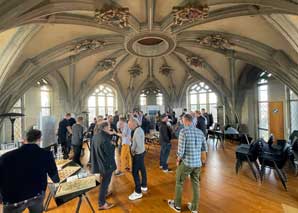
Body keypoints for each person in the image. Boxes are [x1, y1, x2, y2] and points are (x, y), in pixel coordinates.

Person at [0, 129, 60, 213]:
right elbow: (53, 174)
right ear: (39, 139)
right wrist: (57, 181)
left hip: (12, 198)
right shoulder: (46, 154)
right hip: (36, 194)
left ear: (26, 139)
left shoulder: (5, 157)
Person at [168, 114, 207, 213]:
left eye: (182, 121)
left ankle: (177, 206)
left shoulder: (183, 131)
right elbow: (204, 148)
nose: (182, 122)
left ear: (186, 121)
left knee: (179, 182)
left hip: (187, 163)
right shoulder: (200, 132)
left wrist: (177, 160)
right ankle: (194, 208)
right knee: (196, 184)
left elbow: (181, 150)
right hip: (197, 164)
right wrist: (203, 161)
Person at [90, 122, 116, 210]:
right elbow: (110, 153)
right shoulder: (104, 138)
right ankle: (102, 203)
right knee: (105, 184)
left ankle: (104, 194)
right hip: (106, 165)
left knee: (103, 182)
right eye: (109, 126)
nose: (110, 128)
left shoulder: (95, 136)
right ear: (105, 128)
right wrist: (113, 145)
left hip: (99, 163)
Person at [128, 118, 147, 201]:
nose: (129, 127)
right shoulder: (140, 130)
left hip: (138, 154)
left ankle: (138, 192)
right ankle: (144, 185)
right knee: (142, 169)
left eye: (130, 125)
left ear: (134, 124)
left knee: (135, 172)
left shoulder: (137, 132)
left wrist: (132, 150)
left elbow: (137, 145)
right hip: (142, 152)